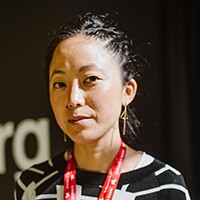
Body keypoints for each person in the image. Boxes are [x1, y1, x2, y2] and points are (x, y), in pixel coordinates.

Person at [14, 12, 191, 200]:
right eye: (60, 84)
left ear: (127, 91)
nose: (73, 99)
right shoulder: (32, 185)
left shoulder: (164, 185)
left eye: (90, 79)